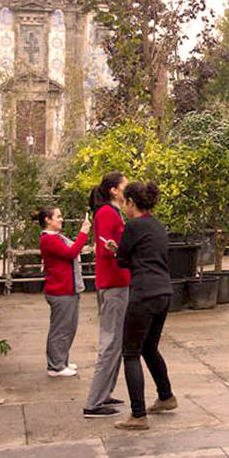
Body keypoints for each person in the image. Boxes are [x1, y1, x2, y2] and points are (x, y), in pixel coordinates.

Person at [112, 181, 177, 431]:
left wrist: (116, 251)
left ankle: (138, 415)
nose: (124, 207)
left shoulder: (134, 226)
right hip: (164, 292)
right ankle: (166, 396)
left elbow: (122, 259)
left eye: (125, 203)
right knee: (150, 347)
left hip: (143, 293)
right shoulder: (157, 225)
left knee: (130, 353)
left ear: (131, 202)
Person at [82, 172, 131, 418]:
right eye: (124, 185)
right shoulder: (106, 214)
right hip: (113, 284)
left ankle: (105, 393)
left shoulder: (111, 213)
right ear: (114, 190)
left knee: (116, 341)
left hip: (116, 282)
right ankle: (94, 401)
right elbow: (107, 248)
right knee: (111, 342)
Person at [38, 205, 90, 378]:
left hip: (68, 288)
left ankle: (62, 360)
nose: (61, 219)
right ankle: (55, 366)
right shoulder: (48, 239)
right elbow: (72, 252)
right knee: (60, 329)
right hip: (60, 290)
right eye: (58, 216)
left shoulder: (57, 237)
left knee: (69, 327)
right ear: (47, 219)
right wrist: (83, 233)